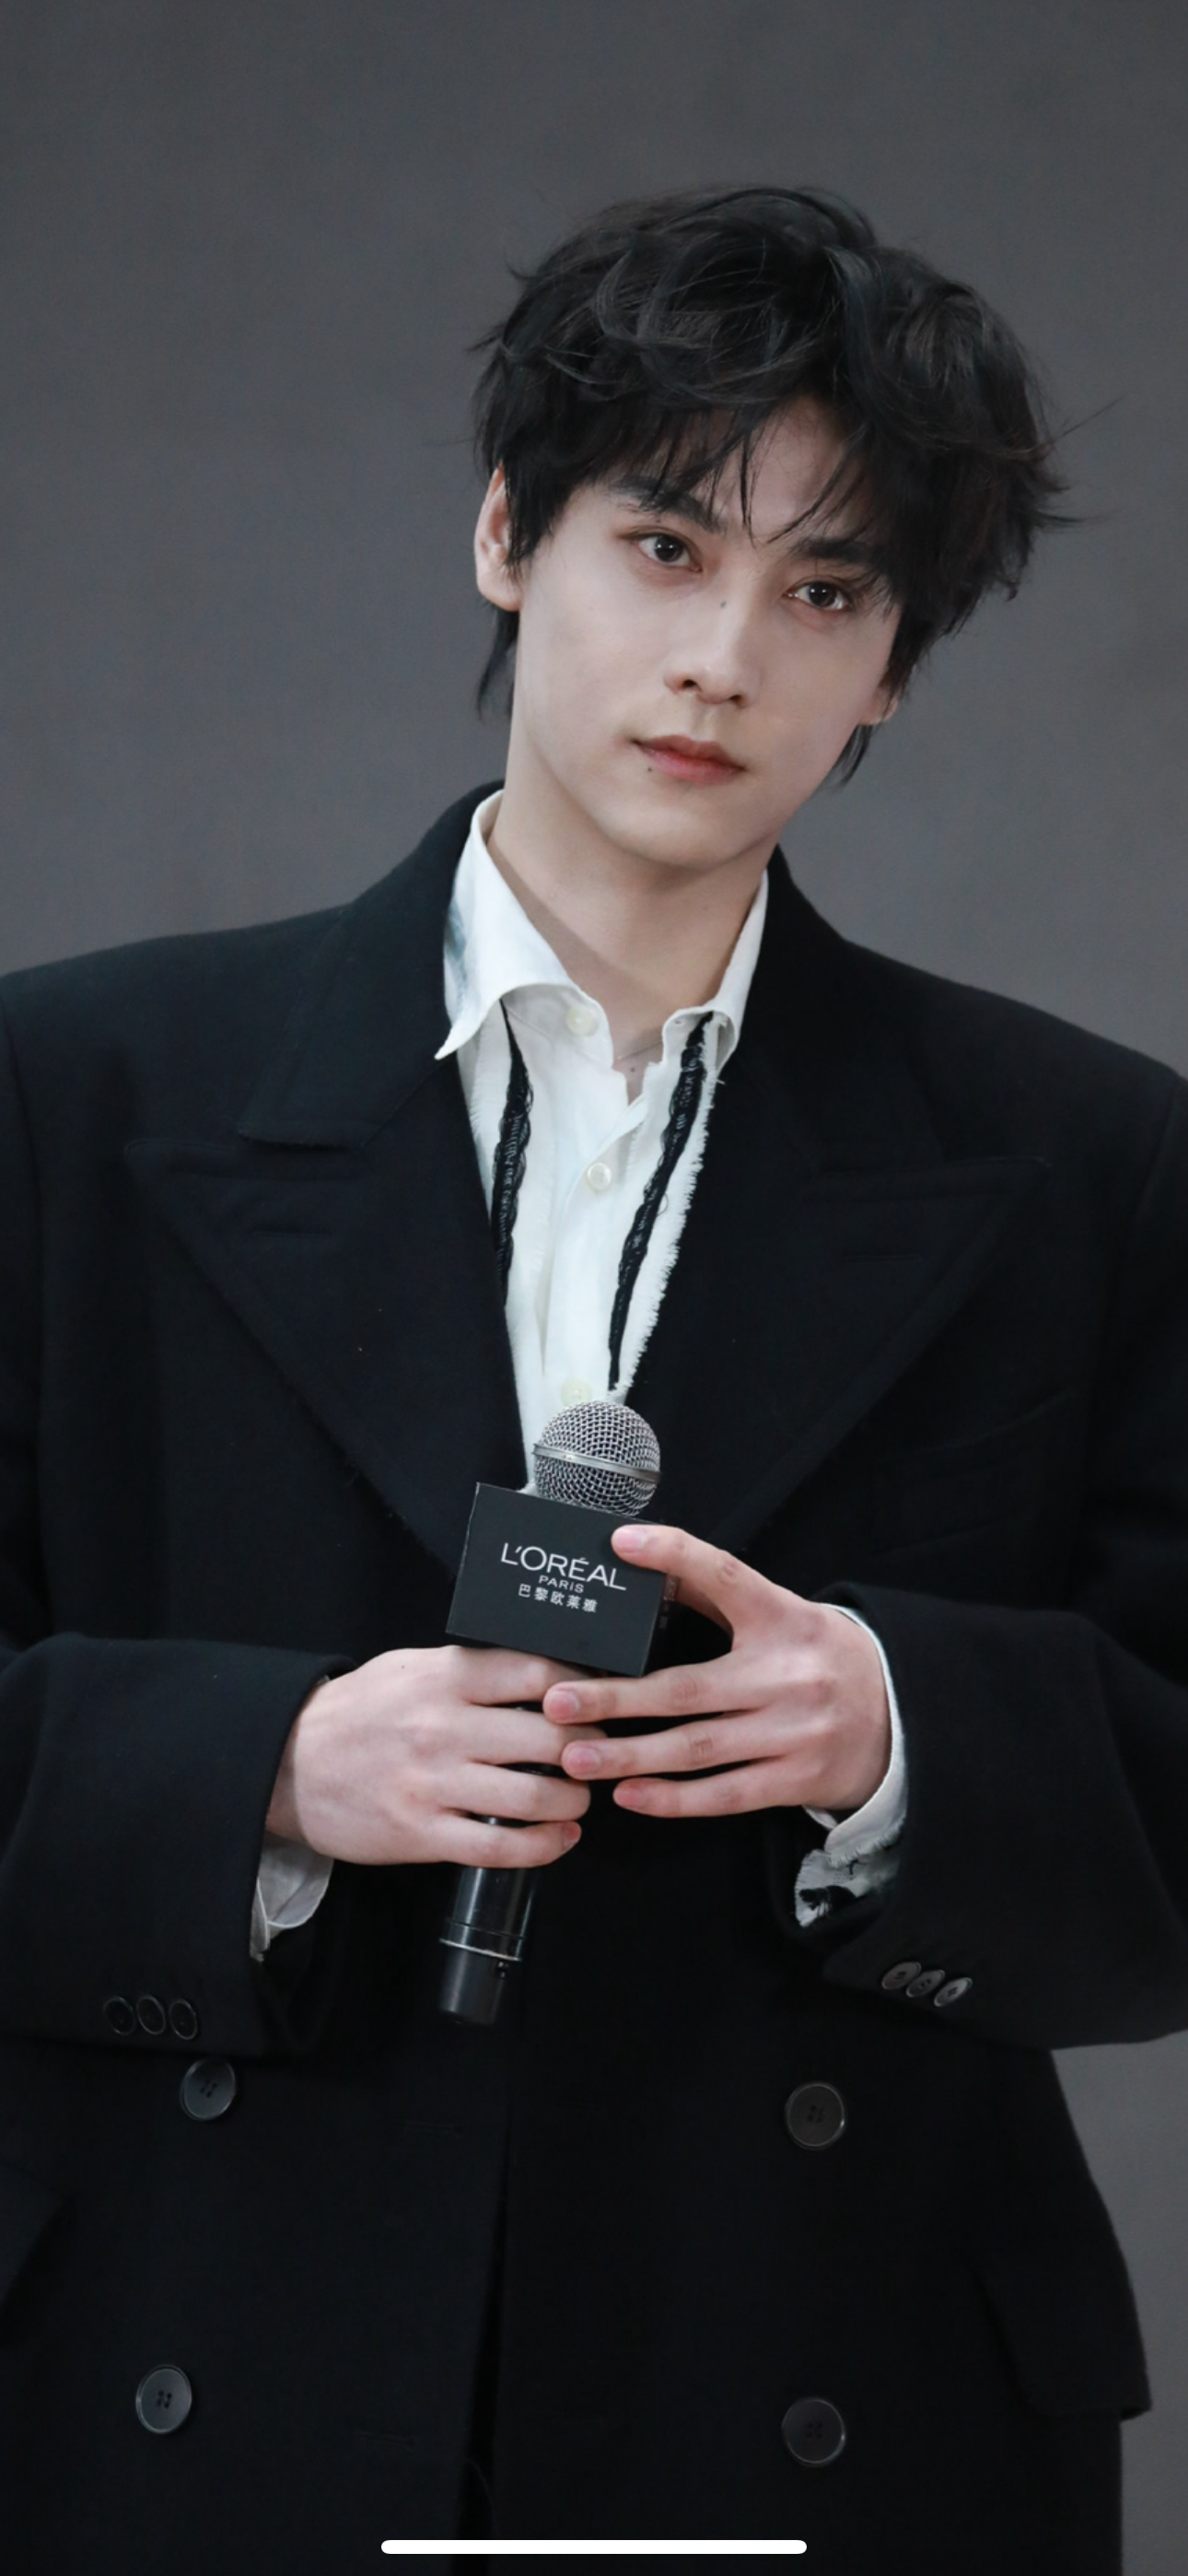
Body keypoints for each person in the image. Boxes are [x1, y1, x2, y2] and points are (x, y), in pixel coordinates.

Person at [0, 186, 1184, 2576]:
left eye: (825, 593)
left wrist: (900, 1733)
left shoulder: (1091, 1160)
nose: (722, 659)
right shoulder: (73, 1093)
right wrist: (263, 1769)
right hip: (202, 2364)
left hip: (821, 2382)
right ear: (504, 537)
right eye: (662, 545)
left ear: (891, 671)